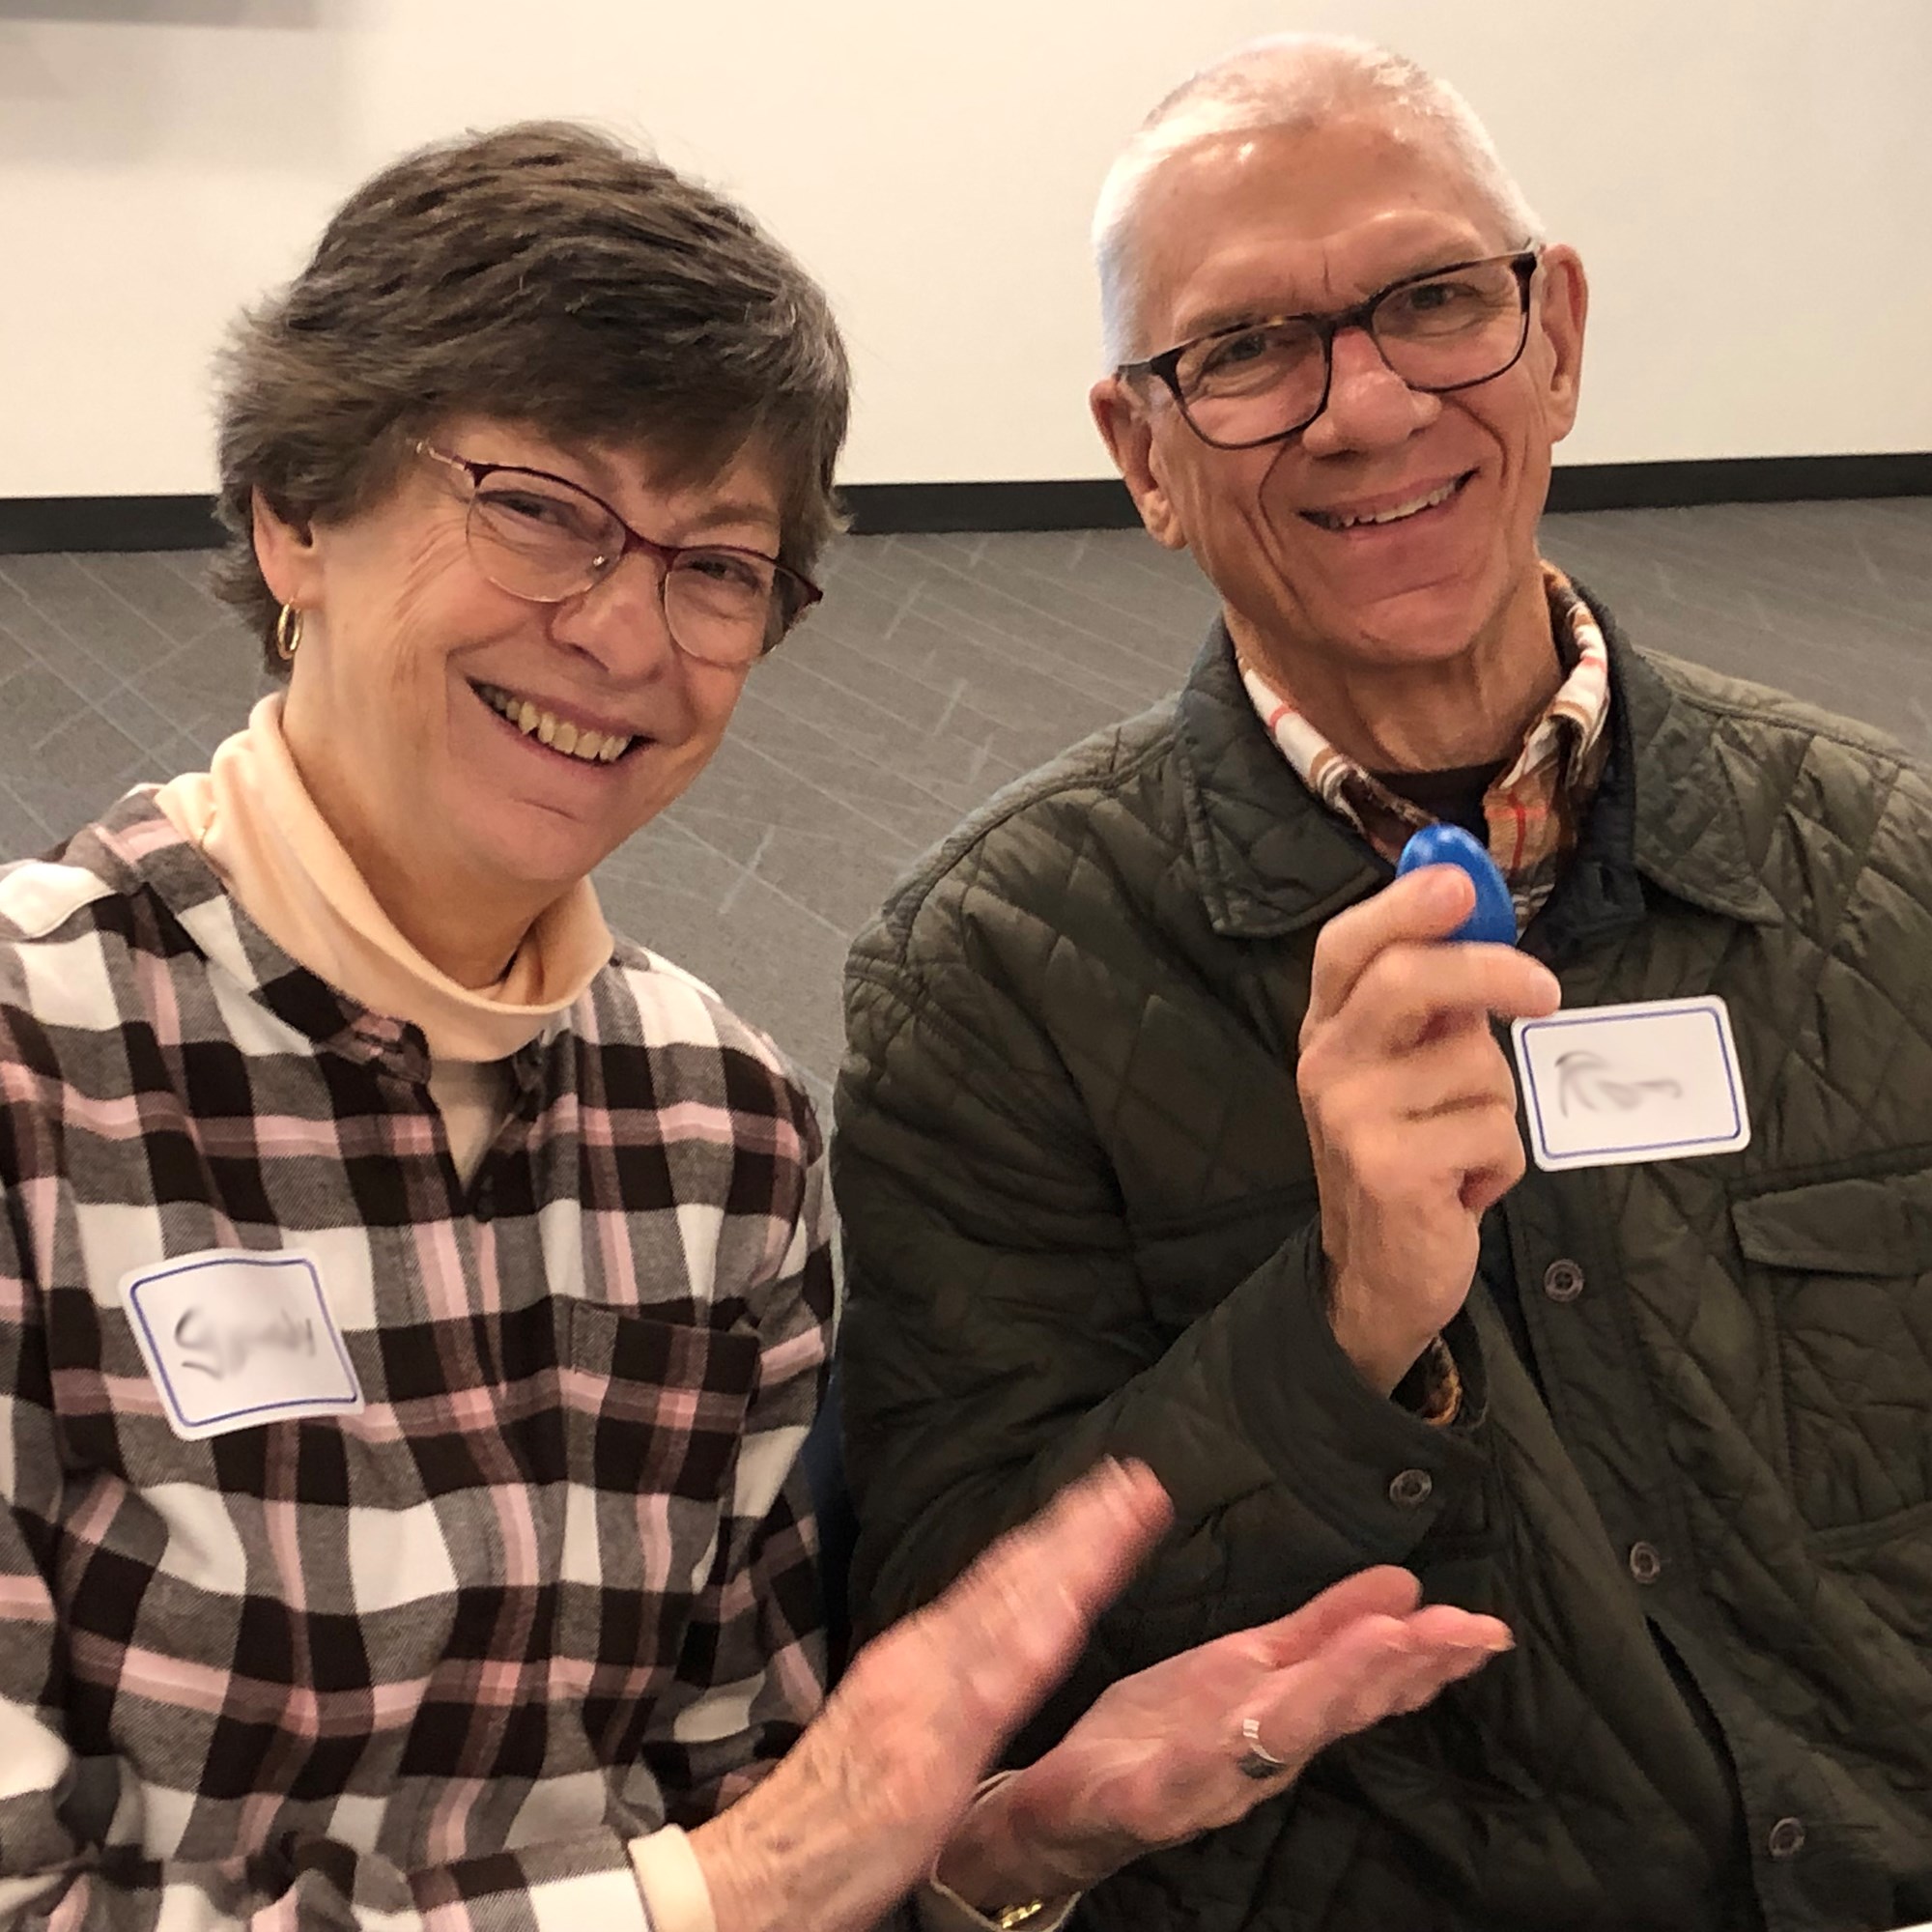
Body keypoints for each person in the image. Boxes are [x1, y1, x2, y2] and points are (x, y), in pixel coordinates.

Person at [0, 123, 1514, 1932]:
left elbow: (755, 1824)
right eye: (543, 510)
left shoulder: (712, 1122)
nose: (626, 635)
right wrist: (728, 1890)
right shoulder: (45, 1062)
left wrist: (1008, 1843)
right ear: (294, 512)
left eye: (717, 563)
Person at [834, 33, 1932, 1932]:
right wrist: (1340, 1328)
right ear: (1141, 454)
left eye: (1433, 300)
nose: (1364, 406)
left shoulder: (1886, 867)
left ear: (1555, 335)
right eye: (1246, 350)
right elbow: (971, 1708)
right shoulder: (992, 981)